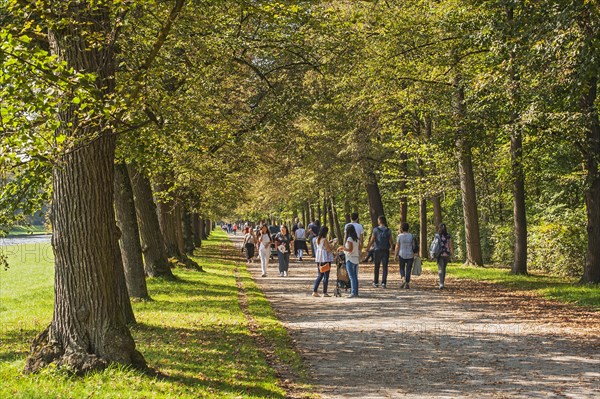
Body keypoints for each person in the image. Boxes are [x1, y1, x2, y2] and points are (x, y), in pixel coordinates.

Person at [367, 215, 394, 288]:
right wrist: (391, 247)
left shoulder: (375, 230)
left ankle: (376, 282)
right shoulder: (388, 230)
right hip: (385, 250)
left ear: (379, 221)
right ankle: (384, 283)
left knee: (377, 266)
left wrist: (368, 248)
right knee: (385, 267)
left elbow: (372, 240)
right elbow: (391, 240)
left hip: (377, 250)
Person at [394, 222, 418, 289]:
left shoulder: (399, 236)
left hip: (401, 254)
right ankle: (407, 283)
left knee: (401, 268)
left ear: (402, 228)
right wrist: (416, 254)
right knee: (408, 269)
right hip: (410, 254)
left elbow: (397, 246)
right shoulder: (411, 236)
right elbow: (415, 245)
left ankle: (403, 278)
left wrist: (395, 255)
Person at [339, 224, 360, 298]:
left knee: (352, 277)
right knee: (355, 277)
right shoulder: (356, 239)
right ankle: (355, 292)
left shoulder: (350, 239)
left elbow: (350, 249)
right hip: (356, 258)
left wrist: (343, 248)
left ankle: (353, 292)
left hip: (350, 259)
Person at [312, 226, 333, 297]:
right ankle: (325, 292)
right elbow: (328, 249)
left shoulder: (317, 239)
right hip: (325, 258)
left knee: (320, 275)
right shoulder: (325, 240)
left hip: (319, 259)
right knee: (326, 276)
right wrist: (333, 246)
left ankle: (315, 290)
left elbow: (321, 246)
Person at [436, 223, 454, 289]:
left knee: (441, 268)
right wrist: (452, 254)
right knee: (444, 268)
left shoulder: (437, 236)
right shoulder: (448, 236)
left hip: (439, 254)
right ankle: (442, 282)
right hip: (446, 254)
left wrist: (432, 253)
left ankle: (441, 283)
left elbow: (434, 245)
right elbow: (450, 245)